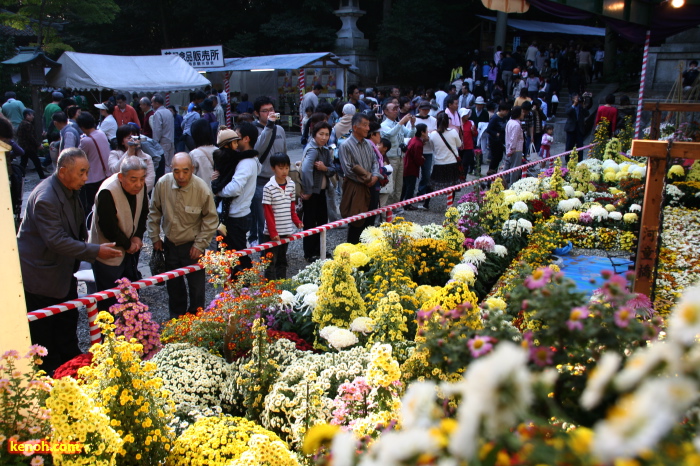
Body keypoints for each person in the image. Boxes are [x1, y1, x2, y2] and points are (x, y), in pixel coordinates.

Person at [18, 147, 122, 374]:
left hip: (61, 273)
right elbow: (56, 240)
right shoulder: (46, 198)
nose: (86, 178)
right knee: (46, 335)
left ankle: (73, 369)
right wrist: (94, 251)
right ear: (63, 171)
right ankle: (53, 380)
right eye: (82, 172)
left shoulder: (67, 188)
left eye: (87, 172)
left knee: (67, 323)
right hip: (41, 276)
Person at [147, 152, 218, 318]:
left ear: (192, 169)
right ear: (171, 169)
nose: (181, 176)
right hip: (170, 244)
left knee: (197, 288)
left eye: (185, 171)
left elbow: (211, 218)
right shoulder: (163, 183)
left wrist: (200, 244)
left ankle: (196, 319)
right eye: (176, 171)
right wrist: (155, 237)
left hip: (193, 246)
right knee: (174, 286)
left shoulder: (201, 188)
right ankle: (177, 320)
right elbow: (154, 211)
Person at [89, 156, 148, 310]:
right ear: (121, 177)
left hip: (130, 249)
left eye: (142, 179)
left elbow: (143, 213)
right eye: (133, 179)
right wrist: (128, 244)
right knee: (110, 300)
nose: (138, 184)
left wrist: (137, 237)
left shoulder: (142, 187)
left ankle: (132, 331)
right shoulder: (108, 191)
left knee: (131, 296)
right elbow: (108, 227)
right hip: (108, 251)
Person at [213, 123, 261, 275]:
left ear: (246, 139)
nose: (234, 139)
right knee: (232, 256)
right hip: (235, 213)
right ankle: (235, 290)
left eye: (236, 137)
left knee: (237, 258)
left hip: (235, 216)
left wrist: (217, 191)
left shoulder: (246, 162)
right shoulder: (245, 159)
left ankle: (242, 290)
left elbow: (235, 188)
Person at [251, 96, 287, 247]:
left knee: (281, 218)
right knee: (264, 220)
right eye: (264, 111)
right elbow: (257, 150)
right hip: (262, 181)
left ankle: (280, 251)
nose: (269, 113)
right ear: (257, 113)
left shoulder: (280, 130)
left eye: (271, 110)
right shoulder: (253, 130)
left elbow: (284, 154)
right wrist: (269, 126)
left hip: (279, 181)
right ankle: (265, 252)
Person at [261, 153, 303, 279]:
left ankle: (282, 286)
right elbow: (267, 212)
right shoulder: (268, 187)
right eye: (280, 168)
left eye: (286, 167)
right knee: (270, 262)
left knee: (282, 260)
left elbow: (292, 207)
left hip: (286, 230)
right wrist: (273, 232)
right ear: (273, 168)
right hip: (271, 233)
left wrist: (296, 221)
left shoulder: (291, 184)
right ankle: (270, 289)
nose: (284, 171)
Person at [339, 113, 379, 244]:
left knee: (370, 221)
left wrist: (374, 177)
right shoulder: (345, 145)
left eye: (368, 125)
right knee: (356, 222)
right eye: (365, 125)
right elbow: (348, 170)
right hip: (356, 188)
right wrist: (366, 180)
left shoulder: (368, 144)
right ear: (355, 127)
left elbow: (375, 162)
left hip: (371, 185)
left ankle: (368, 253)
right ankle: (353, 254)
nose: (368, 128)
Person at [300, 121, 335, 262]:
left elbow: (333, 169)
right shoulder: (313, 149)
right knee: (309, 222)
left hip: (321, 192)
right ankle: (309, 252)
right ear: (314, 134)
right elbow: (305, 169)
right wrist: (308, 190)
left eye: (327, 134)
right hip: (312, 193)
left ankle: (319, 249)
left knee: (321, 221)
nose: (324, 137)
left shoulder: (325, 150)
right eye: (321, 134)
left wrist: (324, 168)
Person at [380, 102, 415, 208]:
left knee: (399, 184)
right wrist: (401, 123)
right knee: (391, 184)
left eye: (397, 109)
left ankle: (396, 206)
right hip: (391, 158)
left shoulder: (397, 123)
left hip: (400, 156)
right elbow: (389, 135)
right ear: (386, 112)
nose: (396, 111)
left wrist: (413, 125)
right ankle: (388, 208)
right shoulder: (384, 125)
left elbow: (409, 134)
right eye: (393, 109)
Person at [77, 112, 111, 218]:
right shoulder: (101, 133)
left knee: (90, 206)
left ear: (82, 126)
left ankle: (89, 228)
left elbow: (78, 155)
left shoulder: (86, 141)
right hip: (105, 174)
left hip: (92, 178)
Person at [108, 125, 156, 192]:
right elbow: (115, 171)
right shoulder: (114, 154)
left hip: (141, 193)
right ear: (122, 141)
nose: (134, 140)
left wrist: (138, 191)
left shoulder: (146, 158)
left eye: (135, 137)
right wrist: (129, 152)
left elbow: (150, 180)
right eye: (129, 138)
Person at [428, 112, 462, 198]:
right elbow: (459, 144)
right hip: (452, 161)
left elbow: (432, 147)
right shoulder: (453, 132)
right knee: (452, 184)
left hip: (439, 162)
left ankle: (426, 203)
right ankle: (450, 205)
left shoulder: (433, 134)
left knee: (432, 183)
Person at [414, 100, 437, 210]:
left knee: (426, 173)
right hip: (416, 149)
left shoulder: (433, 120)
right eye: (424, 109)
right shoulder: (414, 119)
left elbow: (436, 132)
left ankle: (421, 191)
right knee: (413, 173)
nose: (426, 111)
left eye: (427, 109)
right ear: (419, 109)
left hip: (428, 150)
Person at [401, 123, 427, 209]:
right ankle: (407, 204)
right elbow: (418, 158)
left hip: (406, 165)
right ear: (422, 132)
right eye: (426, 131)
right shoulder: (418, 144)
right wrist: (422, 159)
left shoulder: (413, 140)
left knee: (405, 186)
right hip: (411, 167)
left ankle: (401, 202)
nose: (427, 133)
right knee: (410, 187)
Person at [16, 109, 46, 179]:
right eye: (31, 115)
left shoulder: (22, 123)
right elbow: (31, 137)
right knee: (36, 161)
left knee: (23, 162)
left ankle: (20, 176)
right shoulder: (27, 124)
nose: (33, 116)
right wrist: (38, 144)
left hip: (23, 146)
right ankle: (41, 175)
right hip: (28, 147)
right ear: (27, 115)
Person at [151, 95, 175, 177]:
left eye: (152, 103)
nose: (152, 104)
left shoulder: (158, 113)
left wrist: (155, 143)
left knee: (164, 165)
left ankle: (167, 182)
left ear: (157, 103)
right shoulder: (169, 112)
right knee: (170, 164)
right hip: (171, 141)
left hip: (163, 142)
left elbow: (157, 130)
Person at [485, 102, 510, 176]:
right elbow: (488, 129)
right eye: (506, 111)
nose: (506, 113)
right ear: (501, 110)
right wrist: (496, 134)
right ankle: (491, 173)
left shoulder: (505, 117)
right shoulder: (495, 118)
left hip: (501, 141)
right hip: (494, 141)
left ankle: (495, 172)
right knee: (494, 158)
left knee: (499, 158)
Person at [190, 118, 217, 184]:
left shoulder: (194, 154)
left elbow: (190, 177)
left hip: (201, 192)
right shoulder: (219, 150)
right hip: (218, 192)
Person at [565, 94, 589, 161]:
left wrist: (583, 106)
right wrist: (574, 105)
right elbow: (567, 112)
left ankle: (580, 160)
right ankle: (568, 160)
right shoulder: (568, 105)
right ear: (573, 99)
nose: (577, 99)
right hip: (571, 129)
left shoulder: (581, 106)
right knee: (569, 146)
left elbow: (587, 114)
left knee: (580, 146)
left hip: (579, 129)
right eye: (576, 98)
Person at [505, 106, 525, 186]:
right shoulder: (516, 125)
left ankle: (504, 183)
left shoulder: (510, 122)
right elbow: (514, 138)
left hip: (510, 148)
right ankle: (513, 185)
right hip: (516, 149)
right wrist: (512, 149)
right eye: (522, 112)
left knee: (508, 167)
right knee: (514, 169)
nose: (523, 114)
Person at [458, 108, 477, 176]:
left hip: (468, 146)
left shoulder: (471, 123)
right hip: (459, 146)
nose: (467, 115)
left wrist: (473, 131)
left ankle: (463, 177)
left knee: (465, 163)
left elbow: (475, 134)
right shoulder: (458, 124)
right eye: (466, 114)